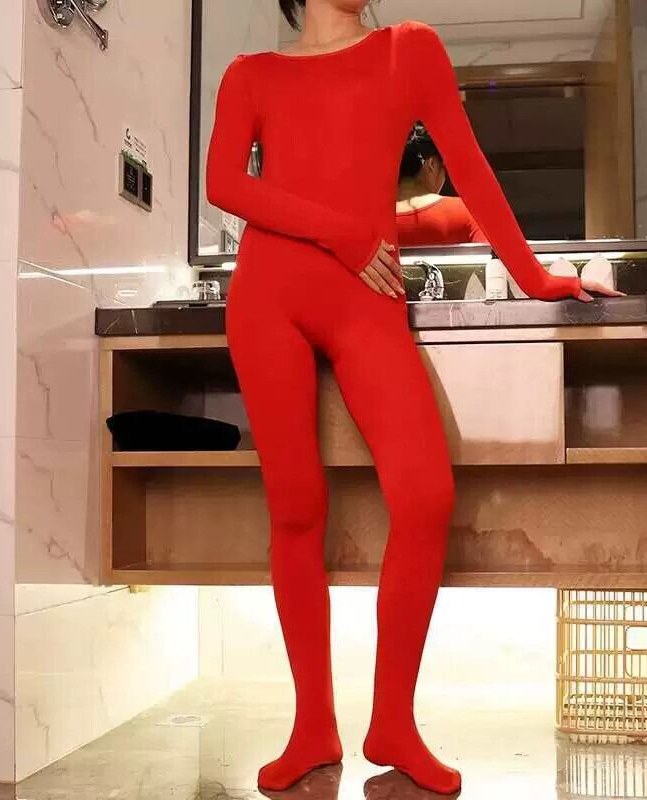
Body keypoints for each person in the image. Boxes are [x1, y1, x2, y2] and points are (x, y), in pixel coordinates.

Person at [205, 1, 622, 794]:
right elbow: (224, 183)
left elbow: (472, 171)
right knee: (295, 507)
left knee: (425, 496)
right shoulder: (250, 75)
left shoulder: (410, 51)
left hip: (367, 302)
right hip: (267, 301)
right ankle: (312, 727)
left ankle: (392, 722)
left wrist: (537, 278)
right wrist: (343, 233)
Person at [396, 122, 488, 246]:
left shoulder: (373, 220)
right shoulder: (466, 212)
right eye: (445, 168)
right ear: (432, 164)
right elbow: (491, 254)